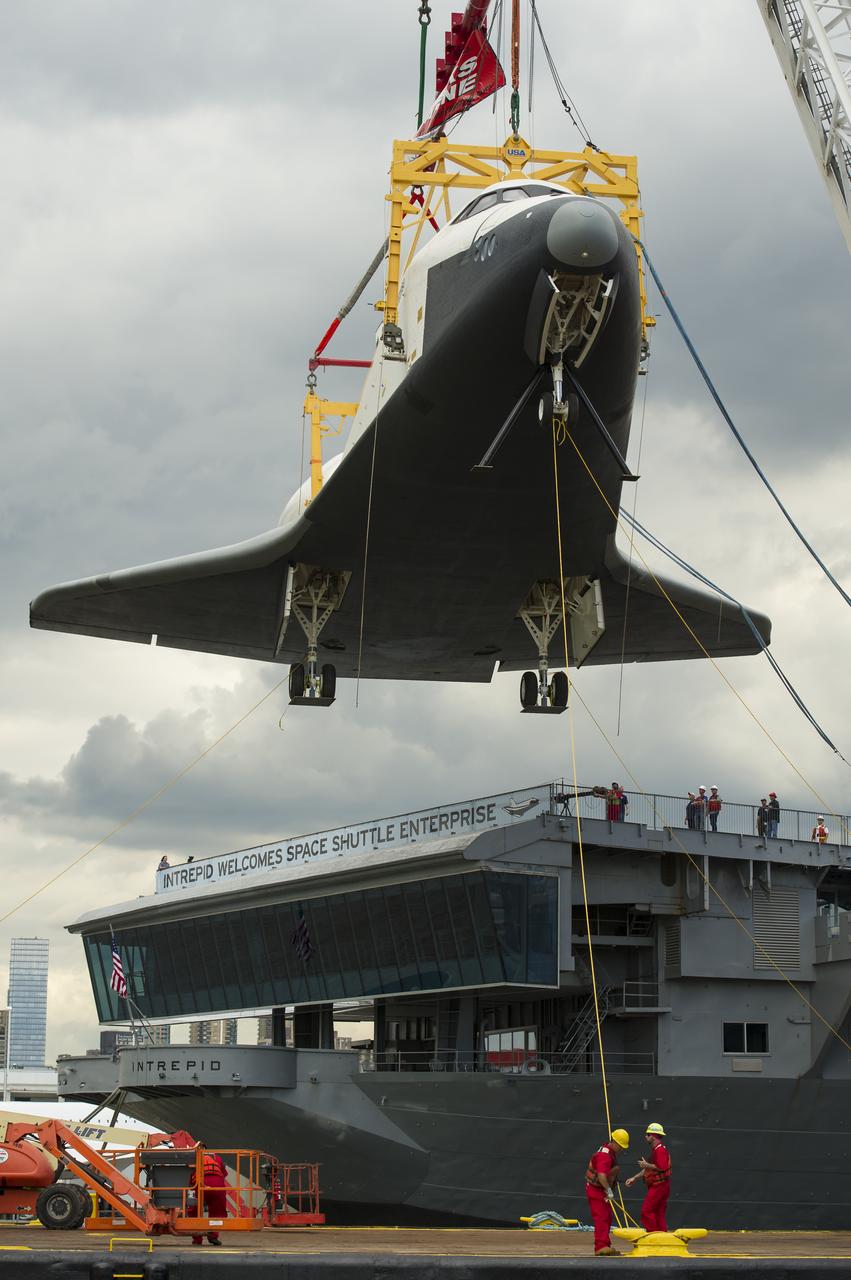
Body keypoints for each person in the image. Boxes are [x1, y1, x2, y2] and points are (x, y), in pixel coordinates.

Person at [585, 1127, 629, 1256]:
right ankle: (600, 1247)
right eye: (620, 1146)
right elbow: (601, 1176)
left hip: (599, 1189)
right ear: (614, 1142)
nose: (621, 1149)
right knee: (602, 1217)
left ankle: (605, 1244)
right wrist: (608, 1190)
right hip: (597, 1190)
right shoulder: (605, 1155)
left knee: (607, 1217)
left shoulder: (607, 1150)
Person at [625, 1122, 671, 1232]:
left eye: (647, 1134)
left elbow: (661, 1167)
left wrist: (646, 1165)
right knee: (658, 1212)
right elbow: (650, 1168)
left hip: (659, 1186)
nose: (645, 1136)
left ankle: (653, 1235)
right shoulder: (657, 1150)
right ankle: (662, 1236)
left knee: (646, 1211)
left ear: (653, 1136)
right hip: (662, 1185)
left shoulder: (660, 1150)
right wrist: (635, 1178)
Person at [190, 1145, 228, 1246]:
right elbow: (224, 1173)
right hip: (217, 1184)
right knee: (218, 1211)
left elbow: (188, 1175)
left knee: (194, 1210)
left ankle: (197, 1239)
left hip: (199, 1183)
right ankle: (213, 1235)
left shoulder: (192, 1157)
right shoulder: (216, 1157)